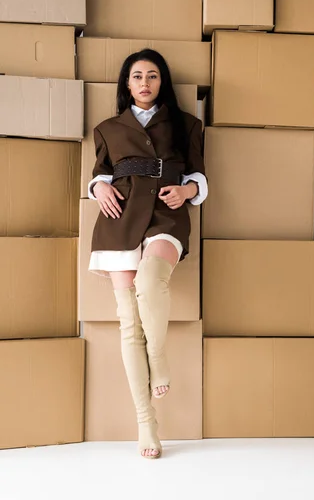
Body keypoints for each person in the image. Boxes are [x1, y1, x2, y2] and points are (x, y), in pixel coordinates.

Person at [87, 49, 207, 459]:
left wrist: (188, 191)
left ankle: (159, 358)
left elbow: (199, 176)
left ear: (162, 82)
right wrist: (98, 187)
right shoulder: (106, 128)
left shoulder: (186, 124)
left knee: (151, 283)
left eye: (152, 76)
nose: (144, 83)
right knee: (128, 323)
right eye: (136, 76)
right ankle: (146, 424)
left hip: (165, 215)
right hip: (118, 219)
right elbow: (99, 174)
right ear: (126, 83)